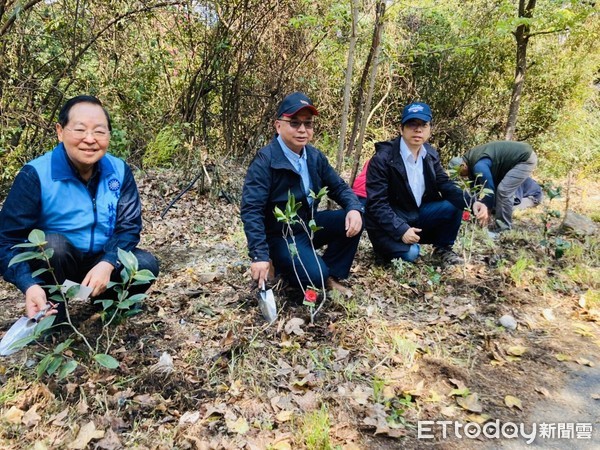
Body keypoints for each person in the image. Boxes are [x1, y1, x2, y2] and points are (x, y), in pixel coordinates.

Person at [0, 95, 159, 322]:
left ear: (109, 136)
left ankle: (108, 311)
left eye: (99, 131)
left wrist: (108, 261)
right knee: (53, 246)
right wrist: (29, 284)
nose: (90, 139)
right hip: (57, 267)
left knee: (145, 264)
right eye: (80, 130)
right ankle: (55, 318)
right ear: (60, 131)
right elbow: (6, 240)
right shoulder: (35, 175)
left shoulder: (119, 170)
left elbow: (129, 227)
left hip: (100, 264)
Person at [240, 92, 364, 295]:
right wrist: (259, 255)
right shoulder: (265, 161)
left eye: (308, 124)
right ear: (278, 125)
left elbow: (339, 187)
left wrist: (353, 207)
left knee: (355, 218)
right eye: (294, 123)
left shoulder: (314, 157)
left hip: (308, 225)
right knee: (315, 277)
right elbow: (251, 210)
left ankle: (329, 274)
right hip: (281, 235)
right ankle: (285, 265)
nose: (302, 130)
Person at [365, 102, 488, 265]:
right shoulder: (383, 159)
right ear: (401, 129)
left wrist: (472, 203)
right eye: (412, 124)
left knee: (453, 204)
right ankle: (388, 248)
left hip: (416, 214)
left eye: (423, 125)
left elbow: (445, 185)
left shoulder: (429, 154)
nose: (418, 130)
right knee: (411, 254)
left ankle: (443, 248)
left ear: (430, 129)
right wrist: (401, 229)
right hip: (389, 220)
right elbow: (376, 204)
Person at [448, 140, 538, 231]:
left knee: (504, 190)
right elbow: (475, 191)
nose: (461, 176)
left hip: (524, 158)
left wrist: (487, 210)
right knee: (497, 195)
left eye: (459, 173)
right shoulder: (470, 163)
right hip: (515, 159)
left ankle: (504, 228)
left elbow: (489, 189)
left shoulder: (479, 166)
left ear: (463, 166)